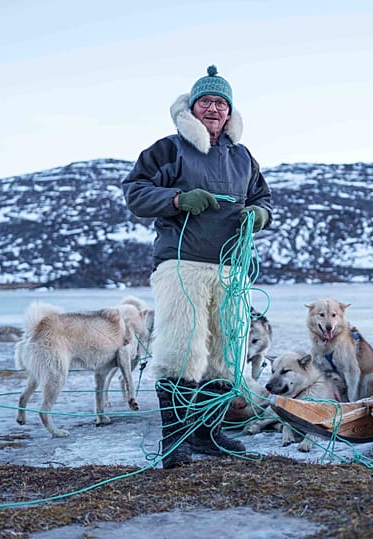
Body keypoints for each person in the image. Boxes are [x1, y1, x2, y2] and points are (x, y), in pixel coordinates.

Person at [122, 65, 273, 468]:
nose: (213, 109)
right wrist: (177, 200)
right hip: (182, 264)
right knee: (181, 349)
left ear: (229, 113)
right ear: (192, 107)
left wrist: (258, 215)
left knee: (224, 352)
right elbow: (134, 192)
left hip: (229, 267)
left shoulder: (243, 157)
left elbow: (264, 198)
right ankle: (176, 439)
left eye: (220, 104)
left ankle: (208, 433)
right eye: (205, 102)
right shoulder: (169, 149)